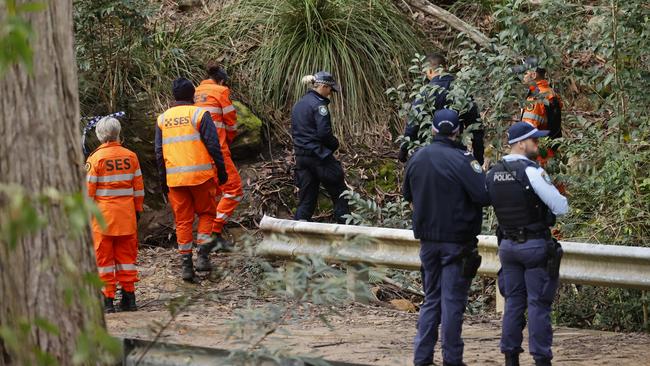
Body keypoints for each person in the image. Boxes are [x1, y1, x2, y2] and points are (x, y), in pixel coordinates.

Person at [403, 109, 490, 366]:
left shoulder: (417, 157)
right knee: (452, 302)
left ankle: (422, 357)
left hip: (428, 242)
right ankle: (452, 359)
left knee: (432, 299)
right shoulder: (464, 160)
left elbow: (407, 194)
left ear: (432, 130)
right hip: (457, 242)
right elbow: (484, 196)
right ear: (457, 131)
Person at [486, 122, 569, 366]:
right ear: (521, 143)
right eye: (534, 140)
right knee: (538, 304)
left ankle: (510, 358)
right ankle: (541, 359)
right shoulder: (532, 172)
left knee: (513, 303)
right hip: (533, 246)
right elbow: (561, 207)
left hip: (507, 247)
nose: (538, 144)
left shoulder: (492, 173)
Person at [155, 78, 228, 282]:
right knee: (206, 213)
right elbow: (214, 145)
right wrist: (222, 171)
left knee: (183, 221)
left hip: (175, 180)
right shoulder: (199, 113)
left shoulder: (162, 119)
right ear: (193, 96)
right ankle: (202, 256)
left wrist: (163, 181)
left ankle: (186, 265)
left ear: (174, 96)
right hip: (200, 177)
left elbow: (159, 153)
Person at [86, 116, 144, 312]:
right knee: (126, 259)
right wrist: (137, 210)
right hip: (127, 217)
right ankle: (129, 298)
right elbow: (138, 189)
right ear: (118, 133)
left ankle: (107, 301)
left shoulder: (96, 159)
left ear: (100, 135)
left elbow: (88, 191)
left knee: (103, 260)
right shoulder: (131, 156)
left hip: (102, 219)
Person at [399, 53, 484, 165]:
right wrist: (478, 156)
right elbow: (476, 126)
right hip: (456, 153)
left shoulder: (424, 93)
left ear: (429, 71)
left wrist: (403, 151)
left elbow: (413, 124)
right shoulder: (462, 91)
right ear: (445, 68)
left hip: (429, 154)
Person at [291, 71, 350, 224]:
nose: (331, 93)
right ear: (323, 86)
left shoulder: (299, 104)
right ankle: (348, 234)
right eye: (330, 89)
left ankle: (297, 235)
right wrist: (334, 144)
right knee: (340, 194)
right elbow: (324, 133)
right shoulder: (319, 105)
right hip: (319, 157)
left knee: (307, 199)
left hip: (302, 158)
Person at [194, 65, 242, 250]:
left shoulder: (195, 92)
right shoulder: (221, 91)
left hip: (199, 153)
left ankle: (208, 235)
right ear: (222, 80)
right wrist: (228, 141)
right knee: (234, 190)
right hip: (218, 151)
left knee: (214, 194)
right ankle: (214, 231)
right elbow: (231, 124)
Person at [519, 60, 563, 167]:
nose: (523, 76)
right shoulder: (551, 92)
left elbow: (528, 131)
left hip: (538, 155)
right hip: (552, 149)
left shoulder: (535, 99)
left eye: (525, 73)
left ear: (533, 75)